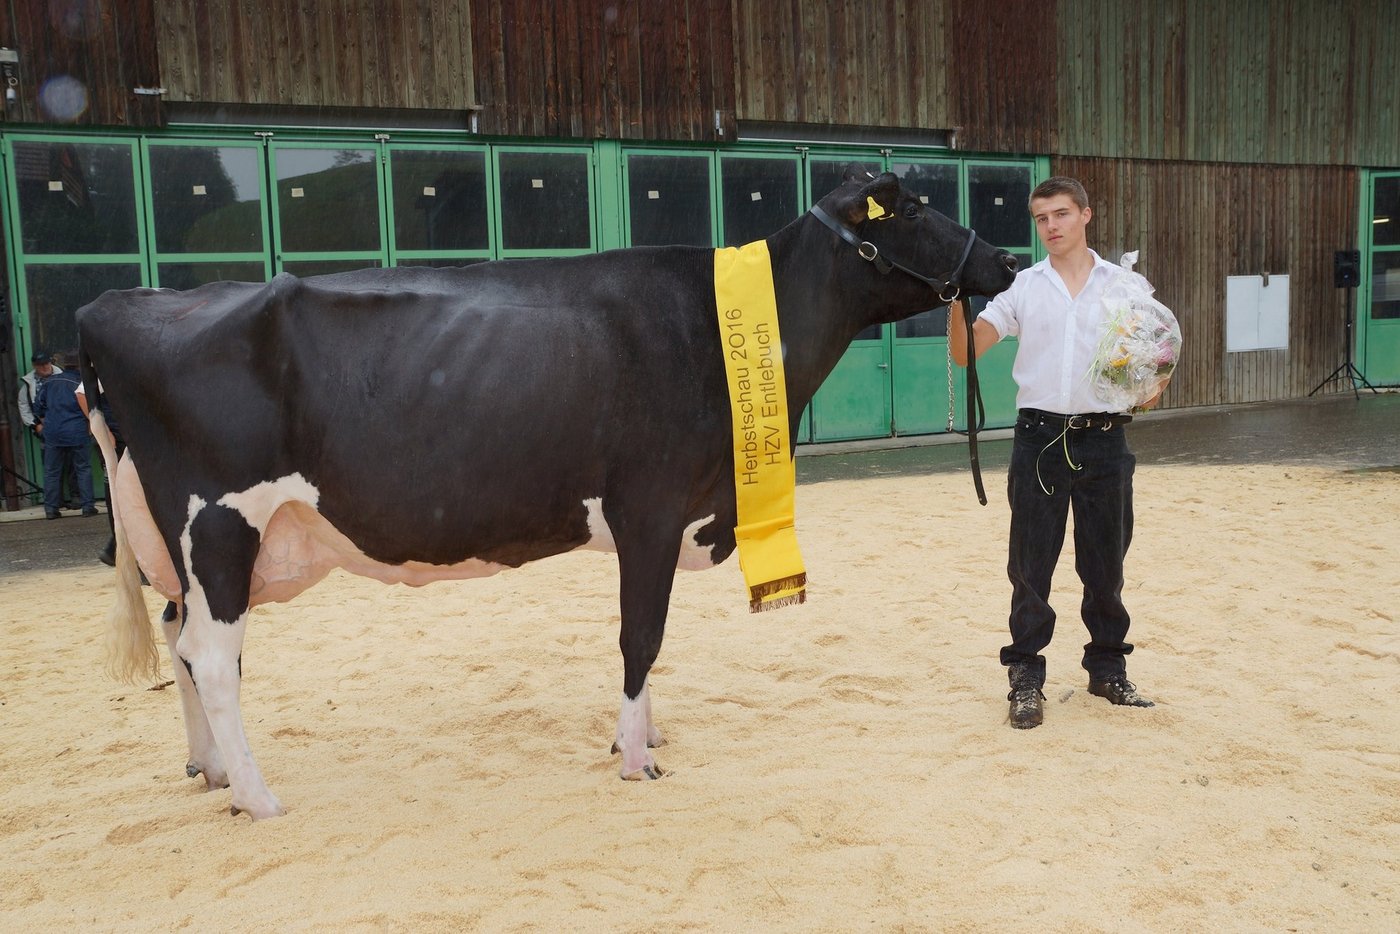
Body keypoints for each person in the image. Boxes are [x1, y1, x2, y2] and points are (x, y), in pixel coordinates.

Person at [949, 176, 1167, 730]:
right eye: (1042, 218)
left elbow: (1156, 354)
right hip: (1039, 437)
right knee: (1030, 564)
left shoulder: (1126, 286)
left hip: (1106, 437)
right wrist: (952, 298)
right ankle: (1025, 676)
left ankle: (1108, 669)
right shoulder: (1023, 288)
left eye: (1062, 214)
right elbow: (965, 353)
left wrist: (1155, 382)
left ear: (1086, 215)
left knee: (1106, 562)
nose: (1052, 226)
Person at [32, 351, 97, 520]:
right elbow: (91, 406)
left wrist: (47, 422)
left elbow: (38, 407)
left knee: (51, 471)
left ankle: (51, 509)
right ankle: (88, 506)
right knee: (83, 468)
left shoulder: (49, 382)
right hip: (77, 430)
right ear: (79, 366)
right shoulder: (81, 383)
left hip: (53, 432)